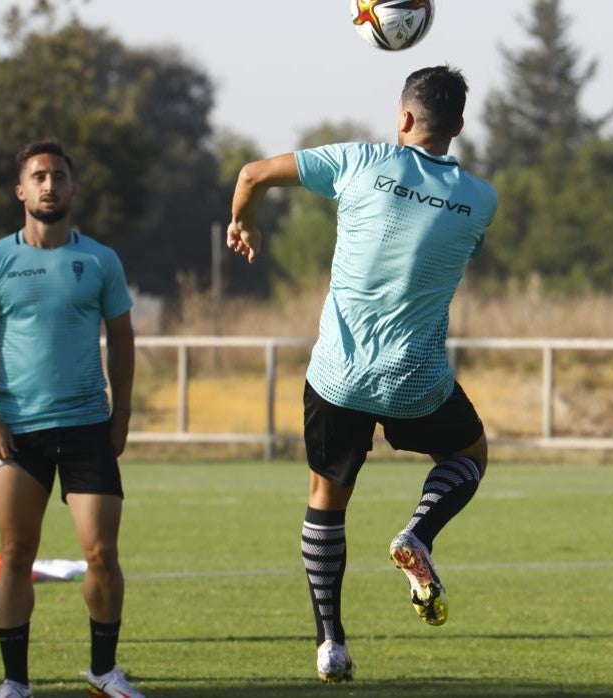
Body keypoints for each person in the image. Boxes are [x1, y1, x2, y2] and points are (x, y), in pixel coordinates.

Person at [226, 65, 497, 682]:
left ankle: (331, 644)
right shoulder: (480, 201)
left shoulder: (359, 160)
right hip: (414, 377)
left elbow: (251, 175)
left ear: (403, 118)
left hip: (338, 376)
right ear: (457, 126)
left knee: (327, 499)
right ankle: (419, 534)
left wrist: (244, 221)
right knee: (470, 455)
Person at [0, 139, 144, 698]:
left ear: (72, 188)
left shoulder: (101, 261)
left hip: (88, 426)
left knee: (101, 553)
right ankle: (14, 683)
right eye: (38, 176)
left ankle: (103, 672)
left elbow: (123, 336)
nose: (49, 185)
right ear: (21, 190)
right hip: (17, 433)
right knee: (15, 554)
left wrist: (122, 410)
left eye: (58, 176)